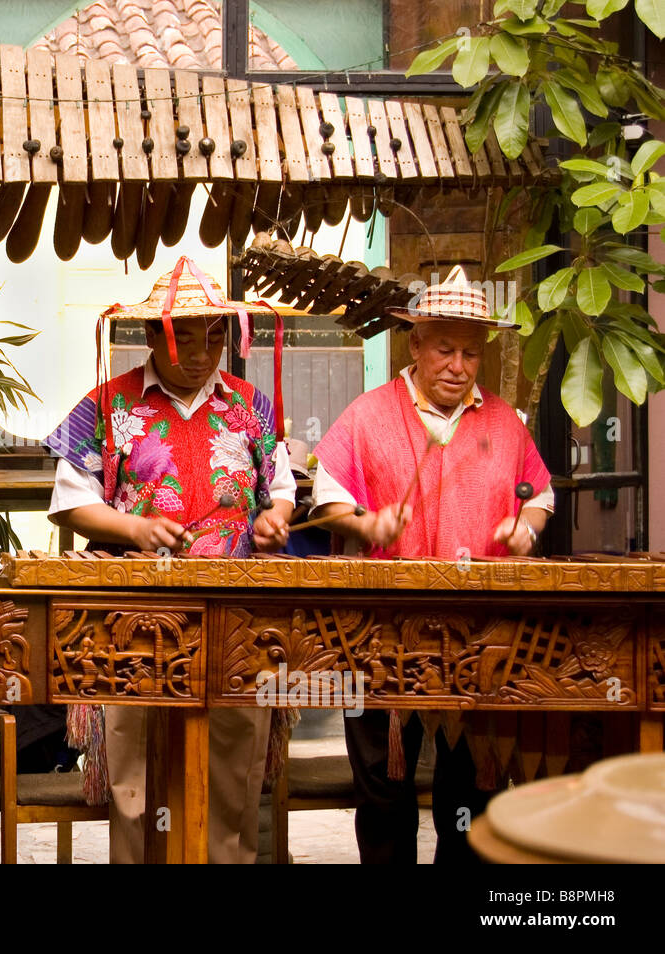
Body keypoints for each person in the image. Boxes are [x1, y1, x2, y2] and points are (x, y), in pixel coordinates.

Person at [44, 258, 295, 863]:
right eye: (187, 336)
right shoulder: (108, 404)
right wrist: (135, 527)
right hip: (138, 614)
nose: (205, 352)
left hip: (236, 614)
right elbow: (69, 505)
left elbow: (281, 488)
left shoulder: (251, 406)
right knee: (139, 760)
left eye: (216, 335)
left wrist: (275, 518)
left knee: (234, 758)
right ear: (153, 335)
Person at [310, 265, 554, 863]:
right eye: (444, 349)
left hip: (482, 638)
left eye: (471, 353)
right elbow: (327, 493)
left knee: (471, 791)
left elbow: (540, 496)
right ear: (415, 344)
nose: (458, 365)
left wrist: (524, 529)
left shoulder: (504, 422)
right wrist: (366, 524)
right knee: (383, 787)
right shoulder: (368, 415)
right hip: (378, 637)